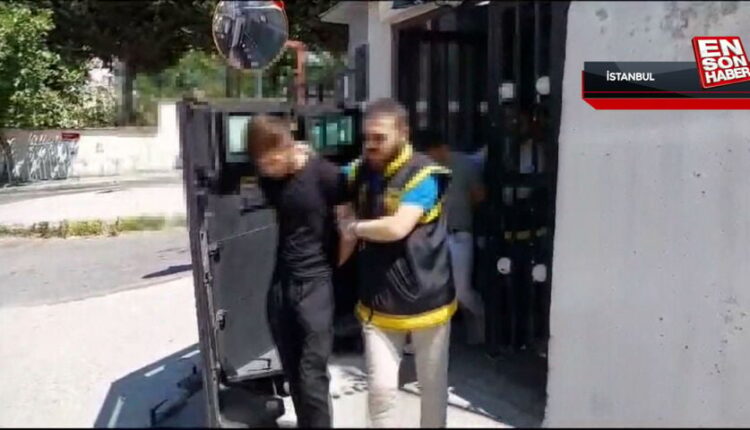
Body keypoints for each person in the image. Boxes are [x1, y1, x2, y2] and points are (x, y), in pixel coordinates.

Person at [337, 99, 455, 428]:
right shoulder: (360, 169)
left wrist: (353, 227)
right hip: (379, 302)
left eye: (380, 138)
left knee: (432, 388)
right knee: (381, 392)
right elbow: (330, 179)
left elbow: (397, 227)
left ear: (403, 133)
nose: (371, 145)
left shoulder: (425, 175)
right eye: (367, 138)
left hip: (428, 300)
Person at [248, 115, 346, 428]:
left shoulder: (326, 176)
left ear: (287, 147)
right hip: (281, 283)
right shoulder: (269, 180)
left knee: (311, 374)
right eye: (262, 164)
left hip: (315, 283)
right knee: (292, 372)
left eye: (272, 162)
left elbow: (348, 230)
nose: (267, 169)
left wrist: (329, 269)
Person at [424, 134, 487, 345]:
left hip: (459, 233)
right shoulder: (429, 168)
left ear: (442, 148)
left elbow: (479, 195)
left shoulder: (465, 165)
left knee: (462, 291)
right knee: (433, 290)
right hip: (437, 235)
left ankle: (482, 326)